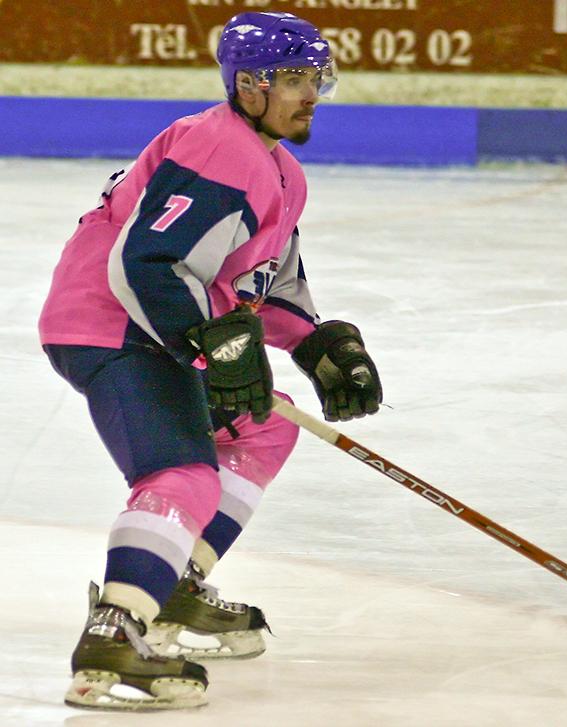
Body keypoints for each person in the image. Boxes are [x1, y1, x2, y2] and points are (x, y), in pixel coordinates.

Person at [38, 11, 382, 711]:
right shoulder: (215, 148)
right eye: (293, 78)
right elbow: (146, 262)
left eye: (315, 76)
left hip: (159, 327)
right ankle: (116, 626)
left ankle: (174, 588)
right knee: (182, 473)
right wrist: (208, 341)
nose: (310, 91)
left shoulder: (280, 169)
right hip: (114, 325)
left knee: (261, 429)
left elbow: (267, 286)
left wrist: (315, 344)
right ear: (248, 86)